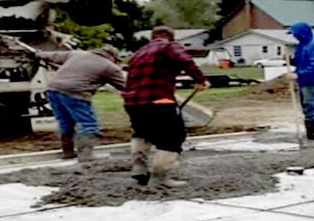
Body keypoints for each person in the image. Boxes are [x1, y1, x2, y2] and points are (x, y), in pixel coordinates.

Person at [123, 26, 207, 188]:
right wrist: (200, 80)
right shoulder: (168, 46)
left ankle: (139, 168)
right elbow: (186, 60)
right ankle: (160, 179)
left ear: (151, 37)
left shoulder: (138, 53)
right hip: (158, 101)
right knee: (172, 138)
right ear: (171, 37)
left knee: (142, 133)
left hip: (133, 103)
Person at [37, 45, 125, 162]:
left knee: (65, 123)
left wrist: (38, 54)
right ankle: (85, 156)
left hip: (53, 90)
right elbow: (125, 86)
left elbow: (52, 55)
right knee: (88, 124)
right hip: (76, 92)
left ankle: (68, 153)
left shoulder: (77, 54)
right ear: (112, 57)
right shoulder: (109, 67)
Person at [288, 22, 314, 141]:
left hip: (313, 81)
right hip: (304, 81)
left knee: (310, 106)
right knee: (307, 106)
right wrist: (292, 60)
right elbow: (299, 61)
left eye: (295, 34)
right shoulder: (301, 46)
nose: (294, 36)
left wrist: (297, 75)